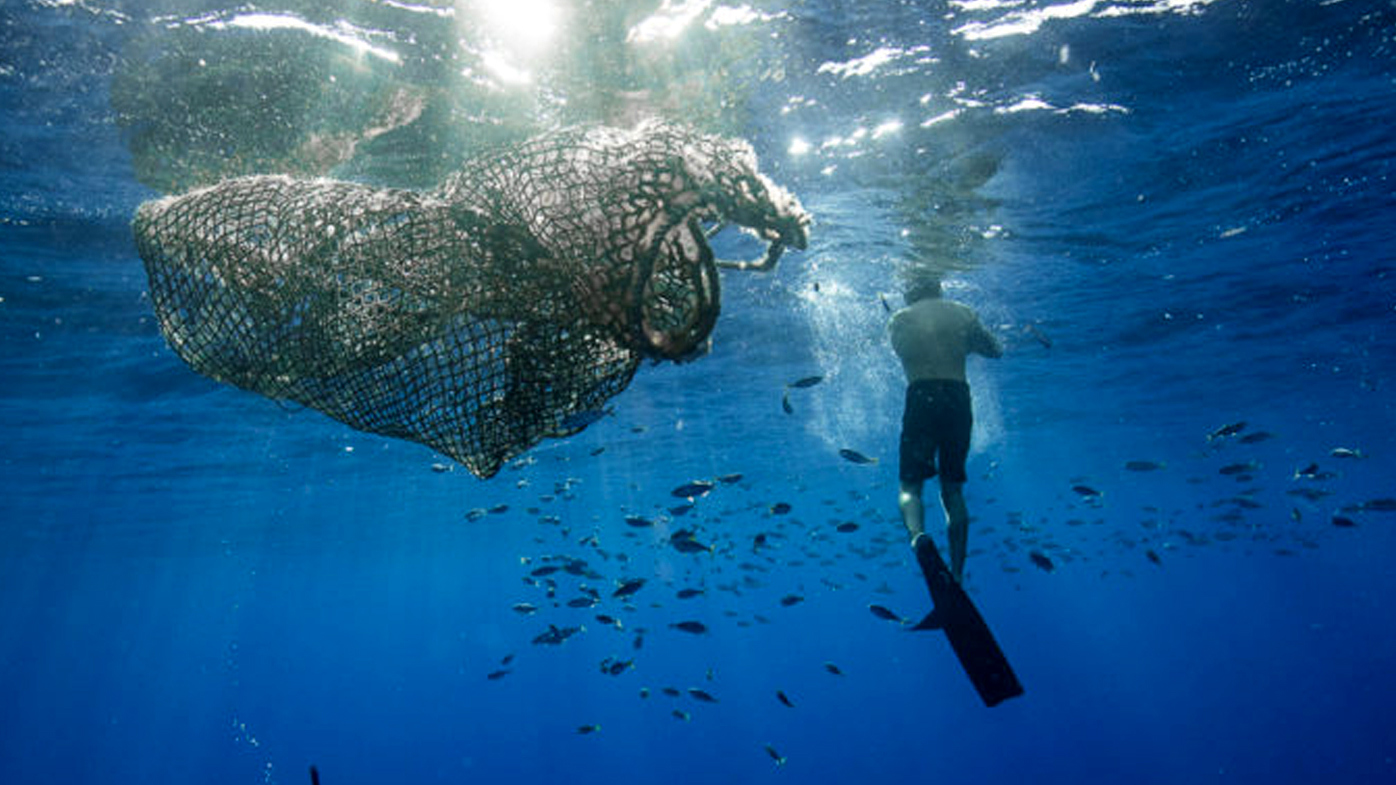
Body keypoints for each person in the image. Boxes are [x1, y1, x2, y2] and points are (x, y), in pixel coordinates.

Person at [888, 274, 1001, 583]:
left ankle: (917, 536)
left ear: (908, 290)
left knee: (910, 486)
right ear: (938, 286)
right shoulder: (962, 312)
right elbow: (995, 350)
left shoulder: (899, 318)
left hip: (920, 394)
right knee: (952, 489)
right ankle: (958, 571)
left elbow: (904, 353)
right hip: (957, 397)